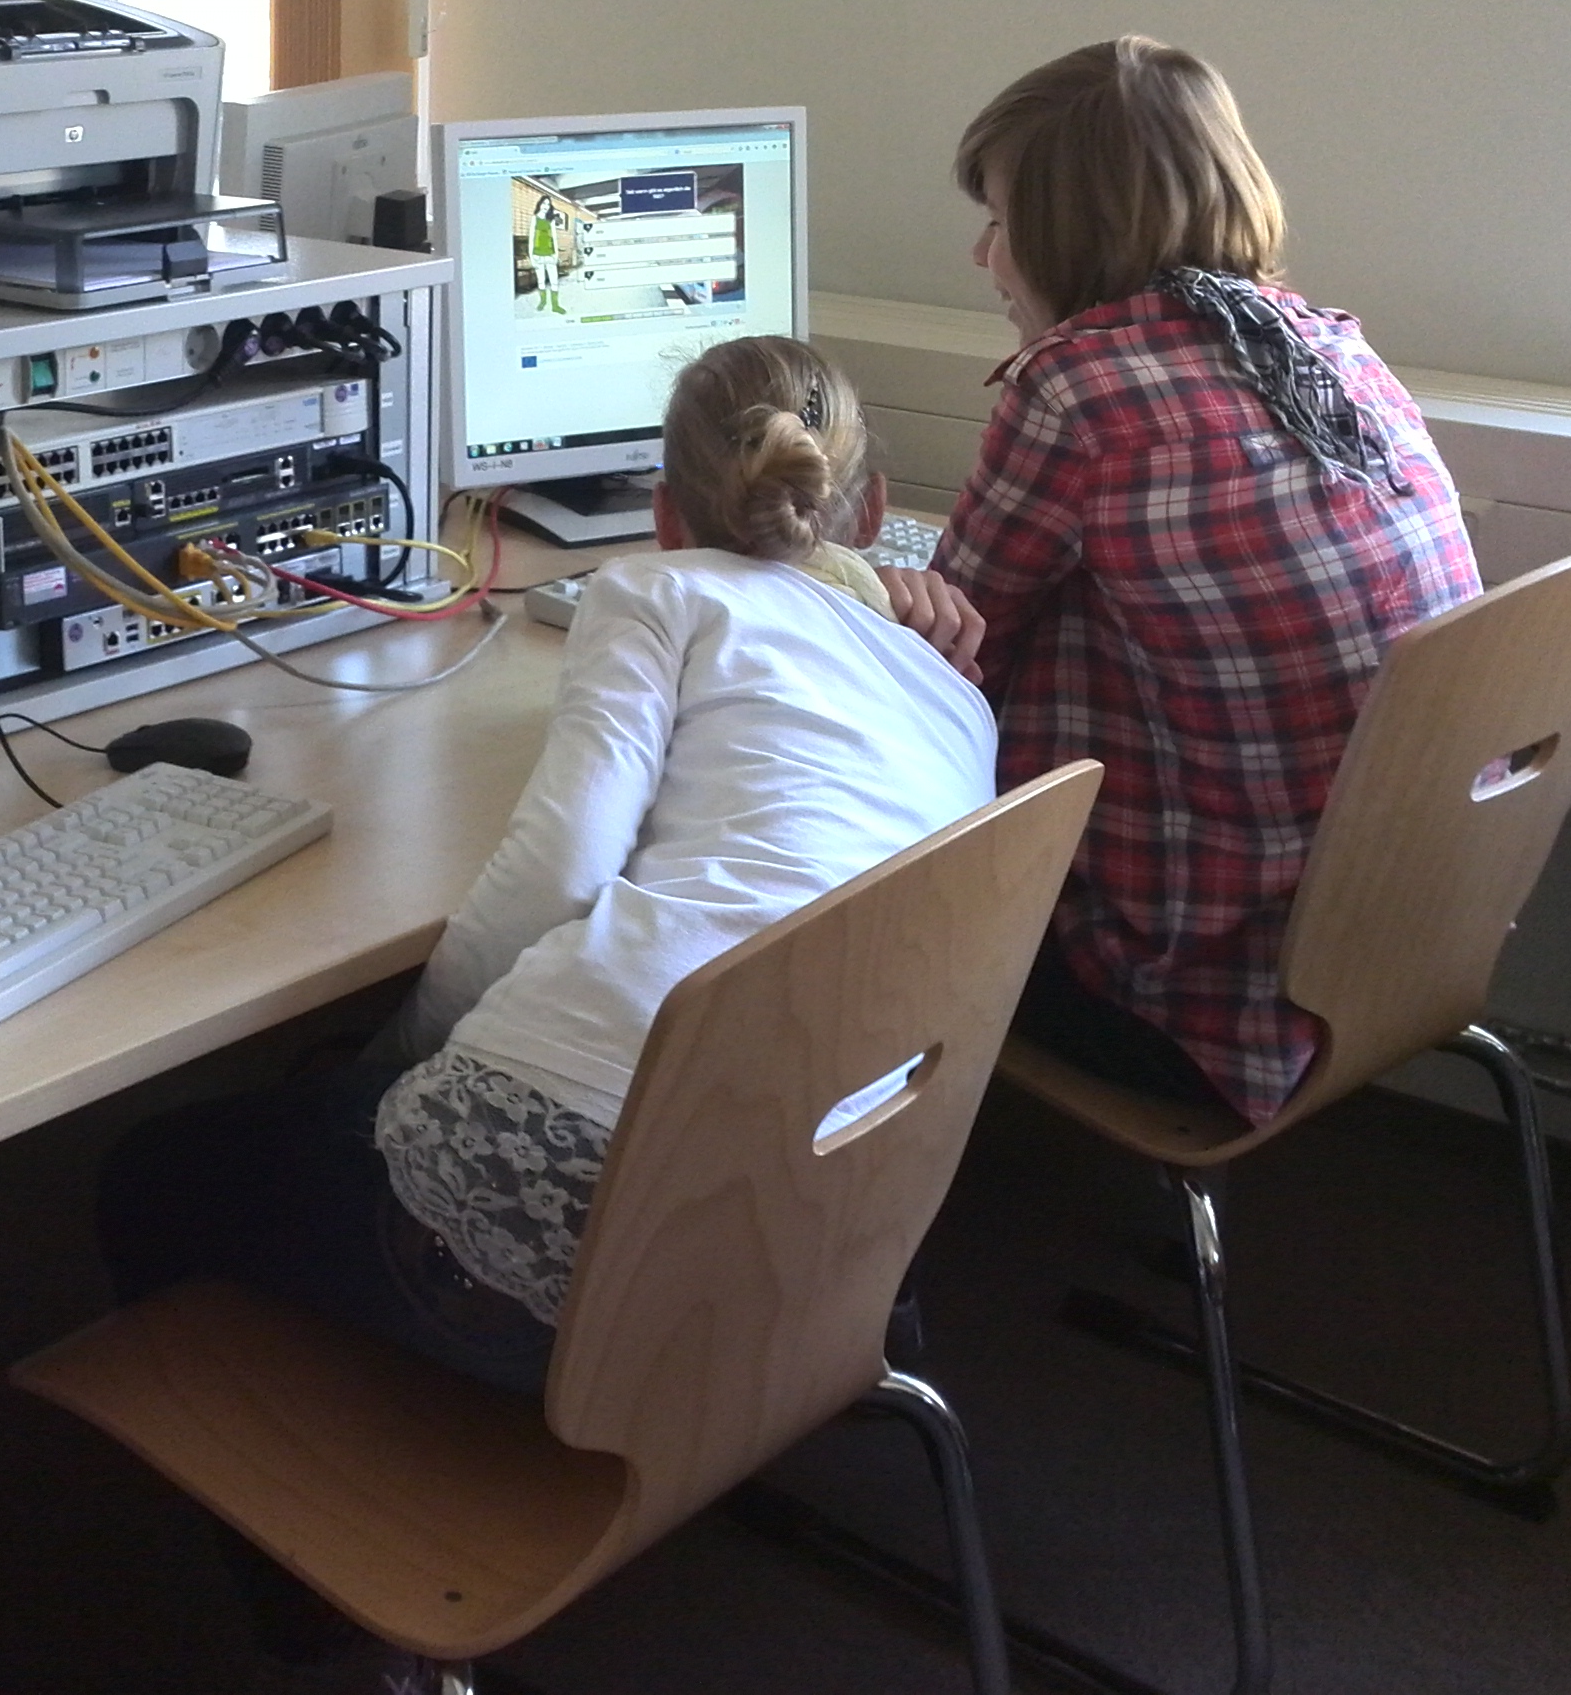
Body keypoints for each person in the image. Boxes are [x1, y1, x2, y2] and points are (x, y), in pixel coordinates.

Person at [96, 333, 999, 1409]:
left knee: (154, 1170)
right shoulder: (957, 694)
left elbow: (561, 866)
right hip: (813, 1235)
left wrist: (392, 1062)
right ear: (874, 507)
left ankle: (367, 1520)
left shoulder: (654, 591)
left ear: (665, 515)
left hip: (588, 1235)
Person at [928, 35, 1477, 1130]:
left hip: (1200, 1005)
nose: (985, 257)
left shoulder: (1078, 386)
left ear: (1068, 225)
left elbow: (936, 659)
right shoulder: (1327, 349)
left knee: (821, 865)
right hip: (1389, 955)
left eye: (1001, 219)